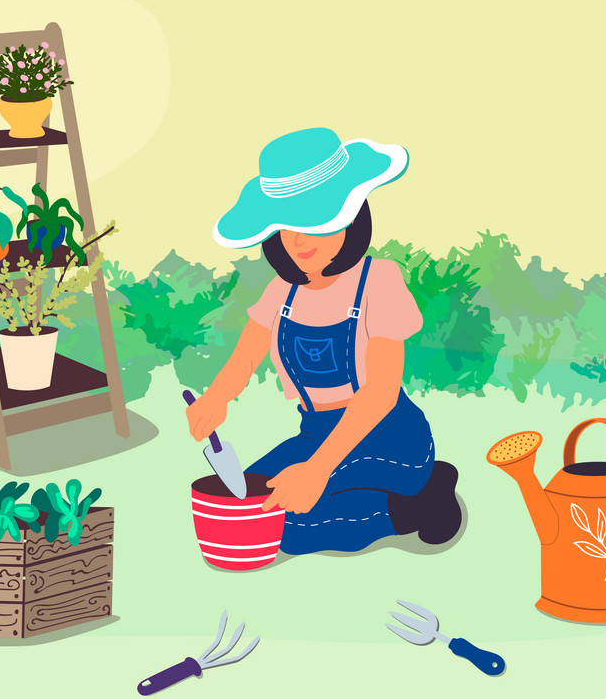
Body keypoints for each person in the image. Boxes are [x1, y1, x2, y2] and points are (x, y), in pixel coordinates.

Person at [186, 127, 462, 555]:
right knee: (251, 500)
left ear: (351, 215)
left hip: (389, 436)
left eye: (312, 221)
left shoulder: (379, 280)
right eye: (284, 226)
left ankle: (421, 500)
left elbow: (382, 392)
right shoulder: (283, 291)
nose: (296, 240)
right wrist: (217, 397)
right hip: (315, 430)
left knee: (290, 527)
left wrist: (316, 469)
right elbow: (251, 347)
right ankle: (392, 496)